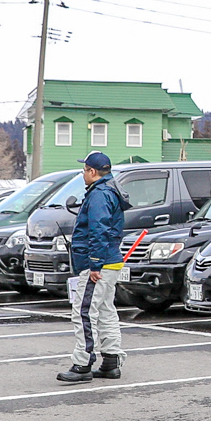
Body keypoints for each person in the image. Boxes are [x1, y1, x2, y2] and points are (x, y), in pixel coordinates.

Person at [57, 151, 130, 383]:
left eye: (84, 170)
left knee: (84, 311)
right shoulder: (111, 189)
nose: (83, 174)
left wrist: (95, 263)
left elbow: (99, 230)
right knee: (106, 310)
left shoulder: (99, 194)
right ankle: (111, 361)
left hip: (99, 262)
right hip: (111, 259)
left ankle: (83, 363)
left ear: (92, 172)